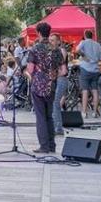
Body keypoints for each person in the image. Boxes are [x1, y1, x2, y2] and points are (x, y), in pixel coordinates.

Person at [24, 22, 62, 154]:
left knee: (40, 116)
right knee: (49, 116)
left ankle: (44, 146)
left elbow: (30, 69)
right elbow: (63, 70)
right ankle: (52, 145)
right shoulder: (56, 49)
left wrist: (31, 74)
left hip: (38, 85)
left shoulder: (35, 49)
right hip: (51, 85)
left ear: (39, 33)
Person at [76, 30, 101, 118]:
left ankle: (84, 112)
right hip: (95, 69)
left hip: (85, 68)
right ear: (92, 36)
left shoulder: (83, 42)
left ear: (85, 35)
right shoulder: (98, 45)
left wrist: (84, 56)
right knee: (95, 91)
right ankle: (95, 112)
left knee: (85, 91)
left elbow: (77, 50)